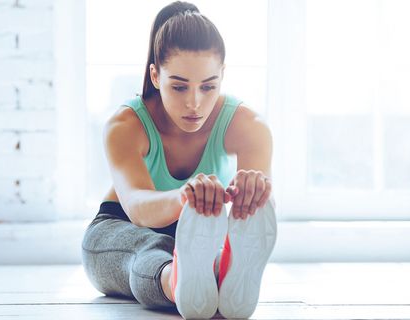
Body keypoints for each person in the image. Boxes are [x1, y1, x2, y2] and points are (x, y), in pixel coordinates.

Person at [81, 1, 277, 318]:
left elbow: (255, 219)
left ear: (223, 75)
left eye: (208, 86)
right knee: (150, 253)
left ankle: (218, 271)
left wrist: (253, 194)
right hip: (122, 227)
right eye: (179, 86)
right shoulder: (125, 125)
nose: (194, 103)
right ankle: (179, 281)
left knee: (209, 253)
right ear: (156, 76)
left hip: (201, 233)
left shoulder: (249, 126)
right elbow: (136, 206)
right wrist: (185, 196)